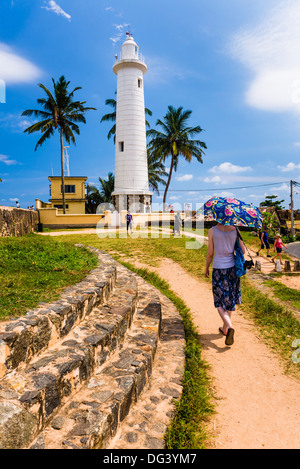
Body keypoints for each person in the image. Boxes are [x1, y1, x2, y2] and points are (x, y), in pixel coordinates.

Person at [205, 223, 246, 346]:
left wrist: (206, 267)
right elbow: (243, 251)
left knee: (219, 302)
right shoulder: (235, 230)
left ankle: (229, 326)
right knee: (230, 299)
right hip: (232, 269)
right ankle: (225, 329)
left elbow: (210, 253)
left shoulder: (212, 231)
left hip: (218, 268)